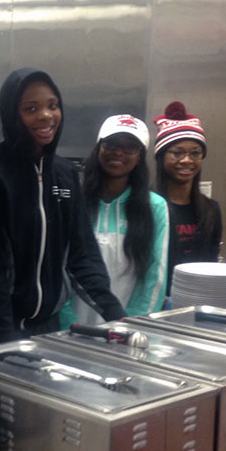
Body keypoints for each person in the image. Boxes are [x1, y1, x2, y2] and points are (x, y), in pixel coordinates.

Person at [0, 68, 125, 341]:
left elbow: (82, 254)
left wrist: (117, 315)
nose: (46, 115)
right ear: (12, 115)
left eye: (52, 105)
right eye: (31, 108)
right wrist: (4, 341)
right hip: (0, 328)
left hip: (49, 327)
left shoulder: (65, 174)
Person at [59, 115, 169, 327]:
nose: (118, 152)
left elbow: (154, 278)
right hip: (70, 328)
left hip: (125, 327)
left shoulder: (154, 207)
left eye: (130, 147)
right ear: (99, 148)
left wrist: (130, 326)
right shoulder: (73, 200)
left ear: (140, 156)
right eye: (111, 144)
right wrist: (67, 323)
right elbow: (58, 269)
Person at [153, 101, 223, 293]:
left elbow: (212, 262)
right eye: (177, 153)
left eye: (195, 153)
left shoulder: (211, 210)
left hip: (198, 298)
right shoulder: (148, 206)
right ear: (161, 157)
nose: (186, 160)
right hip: (156, 301)